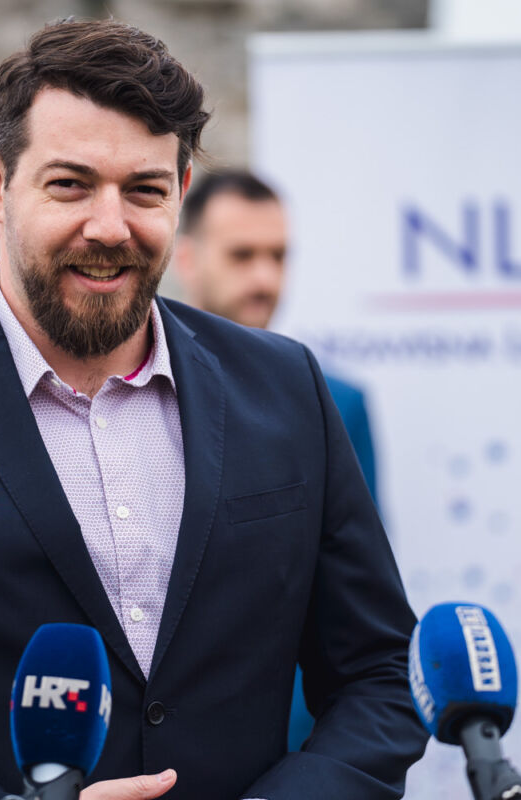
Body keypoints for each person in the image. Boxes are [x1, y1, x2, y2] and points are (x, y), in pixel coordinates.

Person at [0, 19, 427, 800]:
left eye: (144, 190)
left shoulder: (286, 388)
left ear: (181, 192)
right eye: (70, 184)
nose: (109, 226)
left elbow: (380, 671)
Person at [176, 170, 381, 752]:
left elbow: (356, 607)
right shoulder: (133, 395)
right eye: (242, 255)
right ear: (187, 258)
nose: (265, 278)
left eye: (278, 256)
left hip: (291, 751)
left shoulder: (338, 404)